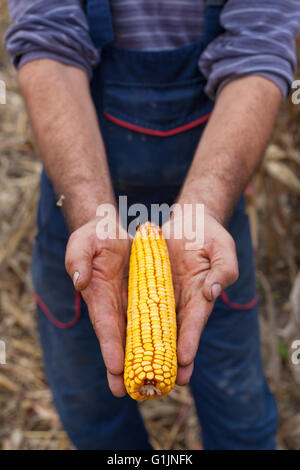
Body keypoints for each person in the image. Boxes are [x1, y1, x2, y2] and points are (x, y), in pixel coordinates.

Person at [5, 0, 300, 450]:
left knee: (239, 417)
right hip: (81, 202)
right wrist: (92, 214)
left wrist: (203, 207)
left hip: (209, 214)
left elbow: (257, 52)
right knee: (94, 415)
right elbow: (50, 45)